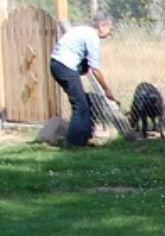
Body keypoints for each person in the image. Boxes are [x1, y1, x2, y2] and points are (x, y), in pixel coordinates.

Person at [49, 14, 116, 147]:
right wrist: (107, 89)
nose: (110, 33)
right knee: (80, 106)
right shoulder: (92, 37)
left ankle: (83, 137)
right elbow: (95, 69)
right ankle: (74, 142)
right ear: (101, 27)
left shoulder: (83, 30)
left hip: (56, 64)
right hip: (65, 66)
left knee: (82, 103)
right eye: (110, 29)